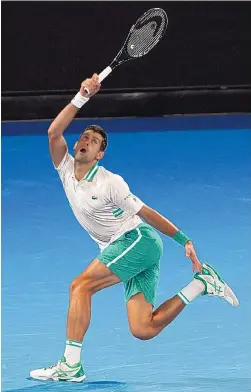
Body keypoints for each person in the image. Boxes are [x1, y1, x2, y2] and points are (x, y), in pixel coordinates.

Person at [30, 74, 239, 382]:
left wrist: (184, 239)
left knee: (80, 286)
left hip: (137, 241)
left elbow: (146, 212)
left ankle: (70, 365)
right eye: (84, 136)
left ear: (100, 154)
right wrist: (82, 97)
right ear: (77, 144)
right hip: (127, 250)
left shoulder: (110, 182)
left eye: (95, 140)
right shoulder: (64, 167)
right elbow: (52, 132)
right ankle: (201, 284)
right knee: (143, 328)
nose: (86, 140)